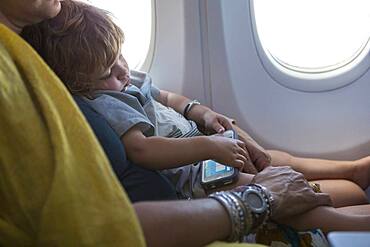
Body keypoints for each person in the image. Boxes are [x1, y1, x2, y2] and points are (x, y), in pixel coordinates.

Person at [0, 0, 339, 246]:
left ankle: (351, 172)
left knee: (304, 172)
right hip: (191, 180)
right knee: (317, 196)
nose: (123, 72)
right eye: (109, 72)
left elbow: (165, 96)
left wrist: (200, 112)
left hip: (199, 161)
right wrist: (258, 196)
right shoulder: (88, 94)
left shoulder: (27, 59)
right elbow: (95, 225)